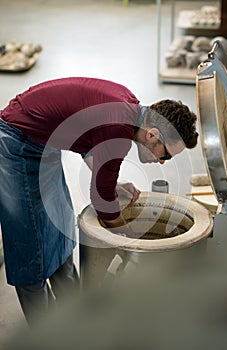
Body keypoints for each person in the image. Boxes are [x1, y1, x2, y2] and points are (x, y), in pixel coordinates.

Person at [0, 77, 198, 325]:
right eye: (165, 155)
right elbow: (103, 203)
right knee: (31, 248)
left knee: (59, 232)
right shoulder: (119, 128)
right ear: (153, 134)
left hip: (42, 140)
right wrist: (129, 239)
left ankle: (76, 323)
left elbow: (92, 143)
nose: (161, 162)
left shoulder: (130, 109)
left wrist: (110, 184)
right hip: (16, 140)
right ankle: (49, 336)